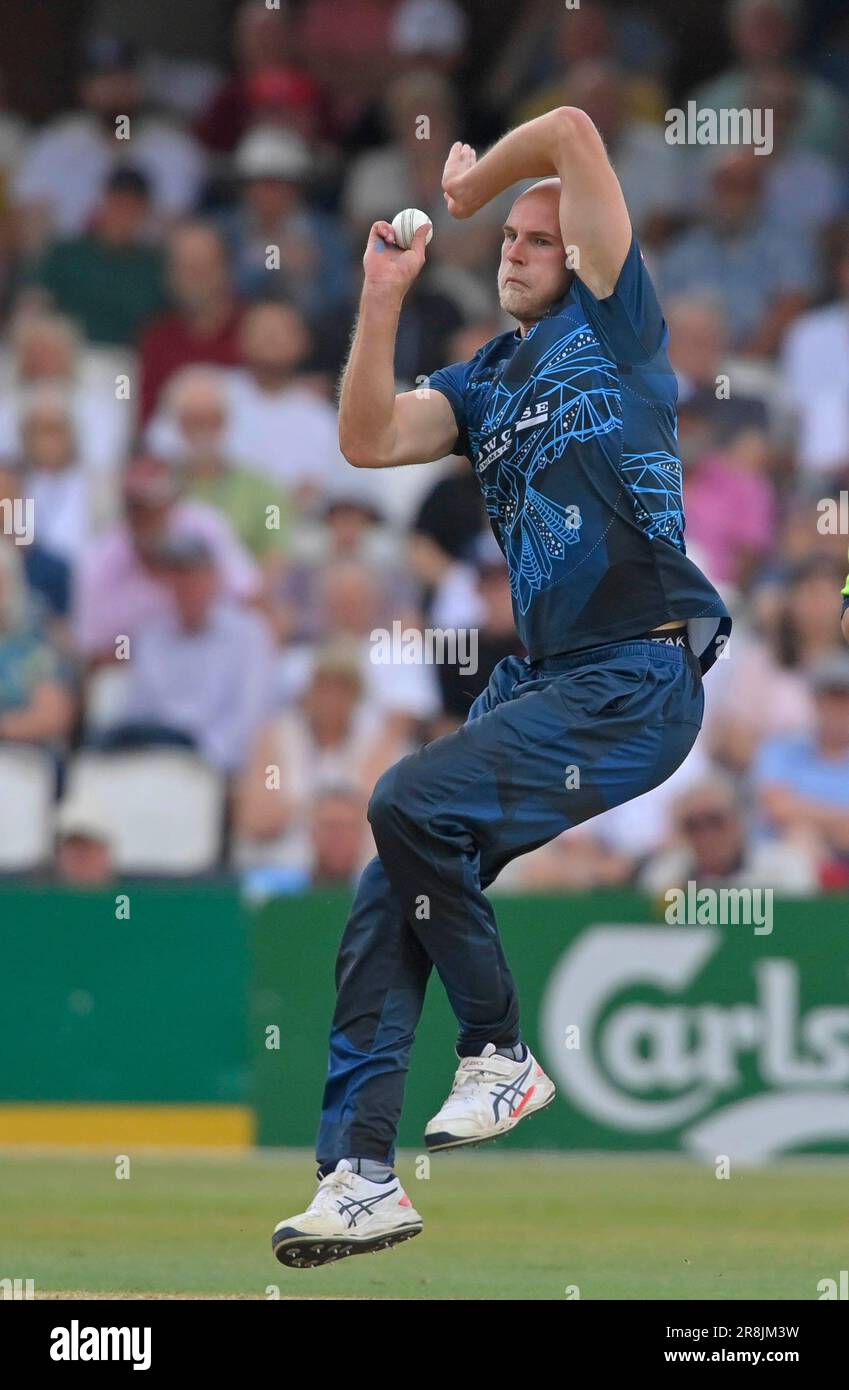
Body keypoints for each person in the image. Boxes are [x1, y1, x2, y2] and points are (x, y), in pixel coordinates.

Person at [271, 103, 731, 1267]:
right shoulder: (488, 379)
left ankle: (501, 1049)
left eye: (540, 239)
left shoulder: (620, 324)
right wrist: (381, 301)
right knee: (392, 890)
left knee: (405, 801)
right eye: (511, 243)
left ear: (578, 253)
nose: (518, 254)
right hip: (548, 684)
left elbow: (577, 129)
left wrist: (477, 189)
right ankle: (361, 1178)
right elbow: (368, 440)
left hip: (638, 668)